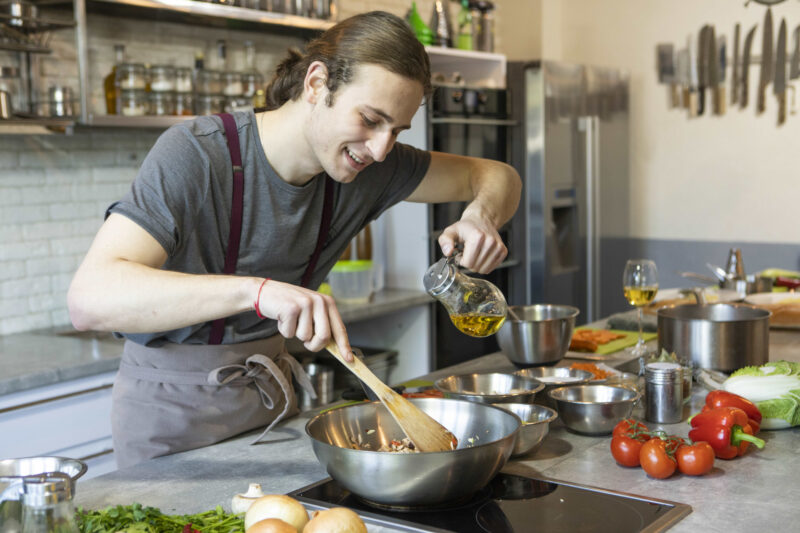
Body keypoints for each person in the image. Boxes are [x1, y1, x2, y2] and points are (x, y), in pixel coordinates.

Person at [67, 11, 521, 468]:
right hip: (168, 421)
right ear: (316, 84)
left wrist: (480, 215)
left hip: (273, 413)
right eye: (369, 119)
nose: (381, 149)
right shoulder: (198, 153)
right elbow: (90, 299)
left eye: (396, 131)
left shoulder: (369, 167)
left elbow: (497, 175)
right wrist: (256, 291)